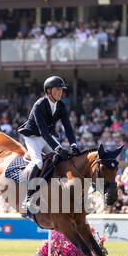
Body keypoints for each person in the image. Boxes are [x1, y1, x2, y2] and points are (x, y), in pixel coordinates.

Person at [18, 75, 80, 210]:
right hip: (33, 137)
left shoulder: (61, 105)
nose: (60, 92)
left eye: (61, 90)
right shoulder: (39, 105)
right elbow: (43, 132)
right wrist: (58, 147)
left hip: (47, 137)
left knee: (61, 160)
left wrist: (74, 145)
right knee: (38, 162)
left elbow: (68, 126)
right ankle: (28, 197)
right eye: (57, 90)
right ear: (48, 91)